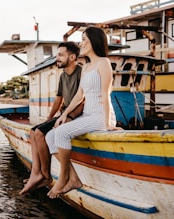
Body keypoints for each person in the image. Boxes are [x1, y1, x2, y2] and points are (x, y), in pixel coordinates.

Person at [45, 26, 123, 199]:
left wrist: (109, 123)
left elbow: (105, 94)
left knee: (62, 133)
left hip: (99, 116)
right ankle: (73, 178)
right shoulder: (86, 66)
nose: (82, 43)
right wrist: (64, 115)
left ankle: (63, 177)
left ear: (94, 41)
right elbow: (79, 95)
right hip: (87, 115)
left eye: (85, 39)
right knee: (51, 135)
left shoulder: (104, 63)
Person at [19, 41, 83, 195]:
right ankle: (36, 173)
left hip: (75, 114)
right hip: (64, 113)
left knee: (41, 133)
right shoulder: (63, 76)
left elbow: (83, 99)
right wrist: (48, 119)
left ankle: (46, 175)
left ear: (73, 57)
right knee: (34, 131)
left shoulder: (81, 73)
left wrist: (68, 116)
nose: (57, 58)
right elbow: (58, 99)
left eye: (61, 55)